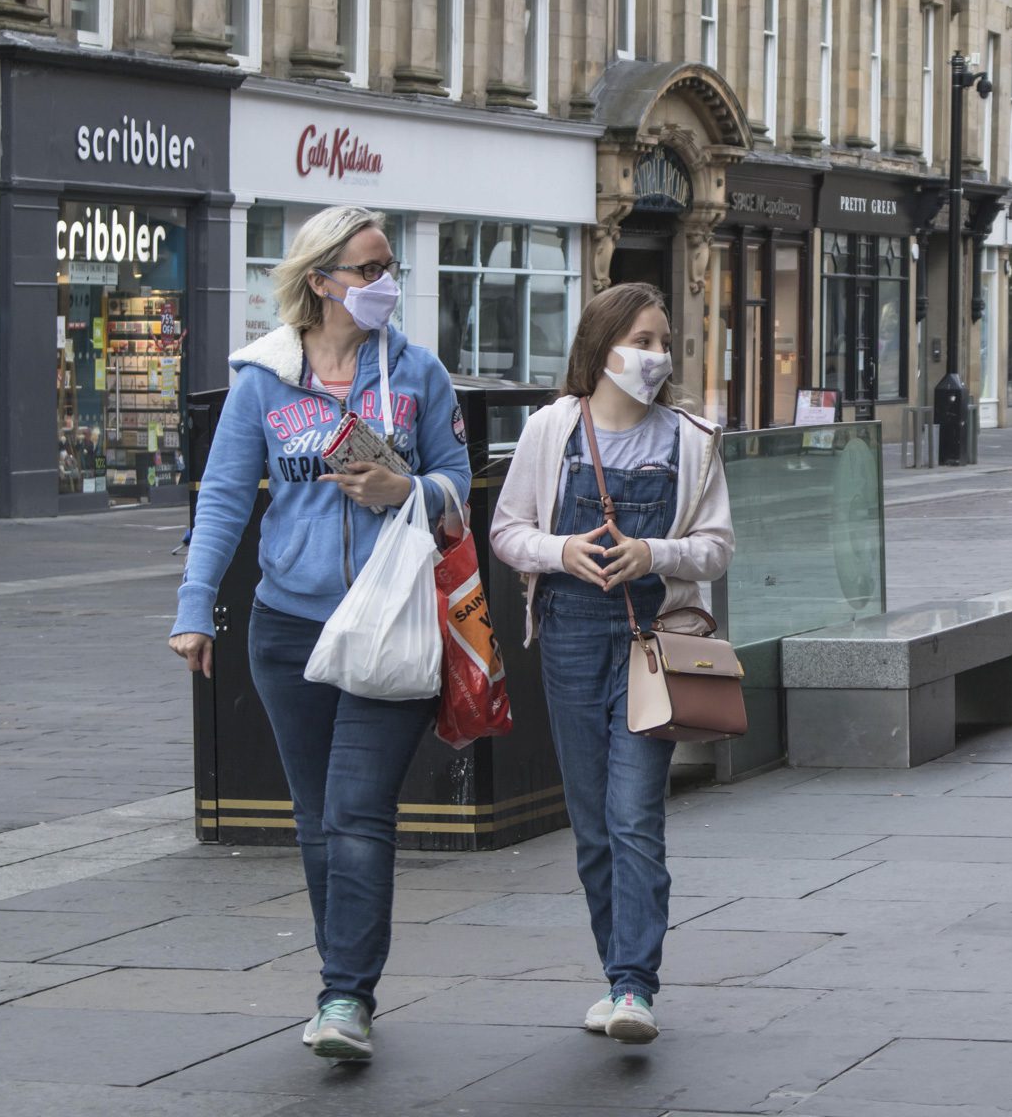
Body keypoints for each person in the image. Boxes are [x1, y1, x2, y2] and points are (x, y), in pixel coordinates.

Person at [167, 206, 470, 1063]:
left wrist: (405, 490)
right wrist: (195, 609)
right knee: (315, 819)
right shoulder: (263, 378)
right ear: (320, 281)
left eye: (387, 269)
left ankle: (344, 996)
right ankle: (345, 978)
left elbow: (458, 487)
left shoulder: (417, 374)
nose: (385, 285)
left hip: (391, 621)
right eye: (369, 269)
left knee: (356, 809)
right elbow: (224, 496)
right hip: (288, 625)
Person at [491, 283, 734, 1046]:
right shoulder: (550, 430)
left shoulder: (691, 440)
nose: (655, 357)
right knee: (592, 825)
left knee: (635, 817)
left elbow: (717, 548)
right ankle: (615, 975)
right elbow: (507, 530)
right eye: (642, 340)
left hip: (652, 643)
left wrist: (652, 553)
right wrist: (561, 551)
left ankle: (635, 985)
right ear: (600, 347)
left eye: (664, 343)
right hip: (568, 634)